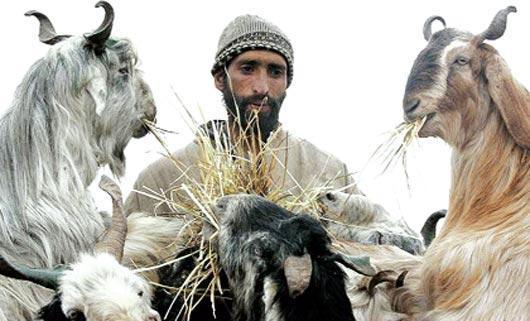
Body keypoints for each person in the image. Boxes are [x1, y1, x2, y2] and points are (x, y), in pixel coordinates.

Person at [125, 14, 361, 216]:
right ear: (220, 78)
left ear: (287, 82)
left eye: (275, 72)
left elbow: (380, 252)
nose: (262, 87)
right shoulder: (163, 180)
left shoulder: (328, 174)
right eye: (248, 69)